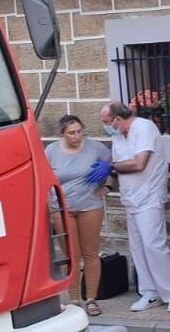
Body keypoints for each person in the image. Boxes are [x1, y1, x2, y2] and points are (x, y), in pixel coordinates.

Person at [101, 101, 170, 313]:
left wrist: (110, 167)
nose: (106, 126)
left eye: (107, 122)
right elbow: (115, 161)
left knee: (153, 245)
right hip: (131, 198)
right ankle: (149, 293)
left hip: (149, 196)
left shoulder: (144, 127)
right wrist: (108, 175)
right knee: (138, 247)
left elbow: (139, 163)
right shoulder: (119, 135)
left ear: (117, 119)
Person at [44, 115, 113, 316]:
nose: (76, 136)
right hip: (62, 208)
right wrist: (47, 204)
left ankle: (91, 299)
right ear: (62, 134)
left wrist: (108, 185)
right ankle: (74, 300)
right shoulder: (51, 150)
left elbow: (113, 163)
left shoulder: (95, 147)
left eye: (79, 131)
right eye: (71, 133)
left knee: (90, 253)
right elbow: (43, 177)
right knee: (71, 255)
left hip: (89, 205)